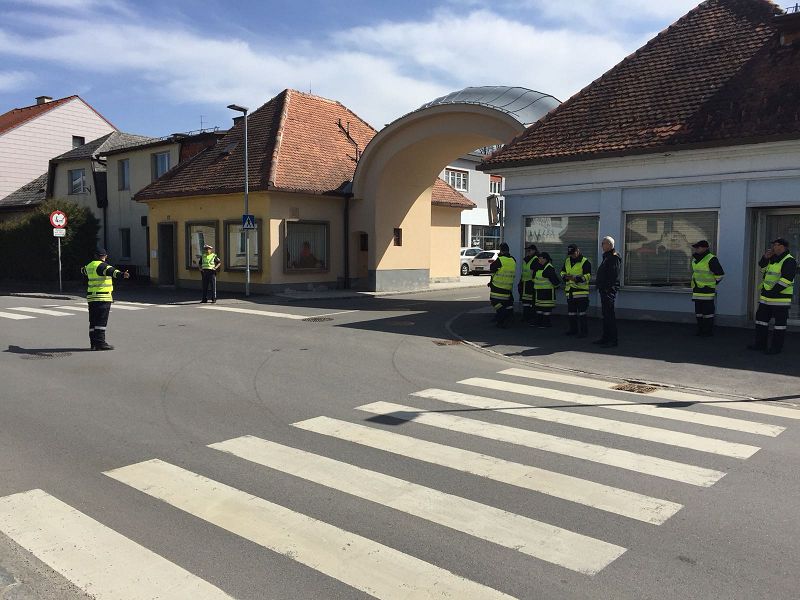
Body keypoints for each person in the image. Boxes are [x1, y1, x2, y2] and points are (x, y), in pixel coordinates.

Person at [748, 238, 796, 354]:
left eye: (775, 245)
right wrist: (765, 257)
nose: (773, 247)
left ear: (782, 246)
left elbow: (786, 280)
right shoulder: (773, 259)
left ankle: (776, 348)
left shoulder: (789, 260)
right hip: (766, 299)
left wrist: (772, 292)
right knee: (761, 322)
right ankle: (760, 345)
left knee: (779, 326)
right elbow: (762, 268)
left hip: (780, 300)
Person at [81, 248, 129, 351]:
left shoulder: (89, 266)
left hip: (91, 298)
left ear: (95, 256)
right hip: (103, 298)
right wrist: (122, 274)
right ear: (105, 256)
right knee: (101, 321)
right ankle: (100, 343)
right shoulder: (103, 266)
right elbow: (112, 271)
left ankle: (93, 344)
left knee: (93, 321)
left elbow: (83, 271)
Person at [690, 240, 725, 337]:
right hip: (697, 290)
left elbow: (720, 274)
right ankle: (700, 330)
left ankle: (708, 331)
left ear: (705, 248)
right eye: (695, 247)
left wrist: (712, 283)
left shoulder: (711, 259)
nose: (696, 249)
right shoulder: (695, 259)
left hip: (707, 292)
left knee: (708, 313)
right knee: (699, 313)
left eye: (698, 247)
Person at [594, 236, 622, 348]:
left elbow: (613, 276)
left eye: (604, 243)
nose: (602, 245)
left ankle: (613, 340)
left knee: (609, 316)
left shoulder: (613, 258)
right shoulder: (607, 257)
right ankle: (605, 338)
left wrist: (606, 289)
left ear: (610, 245)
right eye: (602, 243)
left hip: (608, 291)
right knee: (605, 315)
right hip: (604, 290)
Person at [561, 244, 592, 338]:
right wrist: (565, 276)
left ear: (578, 251)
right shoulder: (567, 260)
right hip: (570, 292)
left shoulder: (585, 261)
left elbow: (588, 276)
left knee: (582, 314)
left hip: (581, 292)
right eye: (570, 254)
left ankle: (583, 332)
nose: (572, 256)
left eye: (573, 253)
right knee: (571, 313)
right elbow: (562, 271)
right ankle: (573, 330)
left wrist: (576, 278)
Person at [489, 242, 516, 328]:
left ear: (501, 250)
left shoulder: (500, 259)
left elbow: (492, 268)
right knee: (505, 303)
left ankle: (502, 317)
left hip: (497, 286)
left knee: (495, 302)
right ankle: (505, 318)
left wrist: (499, 257)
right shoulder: (513, 260)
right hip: (508, 287)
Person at [532, 251, 560, 328]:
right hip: (543, 292)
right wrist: (557, 285)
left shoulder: (548, 268)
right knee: (542, 309)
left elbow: (554, 279)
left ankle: (543, 323)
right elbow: (555, 281)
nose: (539, 260)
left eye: (540, 258)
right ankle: (542, 323)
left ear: (545, 259)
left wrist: (557, 285)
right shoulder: (544, 267)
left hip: (545, 292)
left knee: (545, 309)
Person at [518, 243, 538, 324]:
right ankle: (526, 316)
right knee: (525, 301)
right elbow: (524, 271)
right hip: (524, 282)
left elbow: (535, 272)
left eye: (529, 250)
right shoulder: (526, 259)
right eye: (527, 251)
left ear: (534, 251)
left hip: (531, 283)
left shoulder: (536, 259)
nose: (528, 252)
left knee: (531, 302)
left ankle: (531, 317)